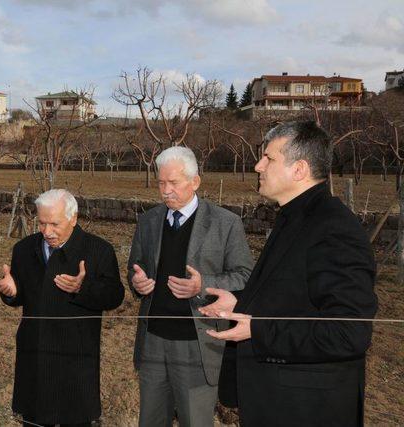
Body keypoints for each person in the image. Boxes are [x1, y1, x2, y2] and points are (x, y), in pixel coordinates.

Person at [201, 121, 378, 427]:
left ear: (299, 170)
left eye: (268, 158)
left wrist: (258, 330)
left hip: (308, 411)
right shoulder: (294, 217)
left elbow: (350, 333)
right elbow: (292, 296)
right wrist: (239, 303)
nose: (257, 166)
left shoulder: (333, 228)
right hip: (279, 404)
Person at [127, 146, 253, 427]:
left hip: (197, 343)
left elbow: (245, 276)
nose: (165, 190)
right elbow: (134, 266)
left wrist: (203, 286)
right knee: (150, 420)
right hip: (153, 342)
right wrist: (138, 281)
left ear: (195, 182)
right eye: (161, 183)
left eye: (173, 183)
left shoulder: (225, 223)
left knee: (195, 420)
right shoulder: (148, 221)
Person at [0, 189, 124, 427]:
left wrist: (82, 287)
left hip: (74, 362)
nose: (47, 231)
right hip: (34, 355)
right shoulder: (24, 249)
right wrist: (11, 293)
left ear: (73, 218)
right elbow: (21, 295)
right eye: (42, 223)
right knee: (34, 419)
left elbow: (115, 296)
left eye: (54, 224)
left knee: (74, 419)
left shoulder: (98, 251)